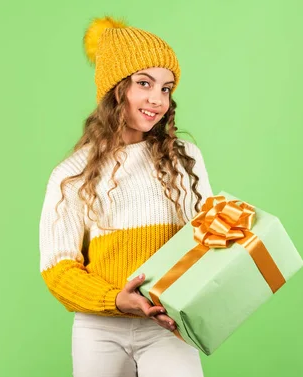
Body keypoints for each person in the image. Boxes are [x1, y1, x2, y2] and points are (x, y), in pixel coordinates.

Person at [38, 16, 213, 377]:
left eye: (166, 88)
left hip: (167, 326)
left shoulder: (186, 159)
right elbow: (58, 269)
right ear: (115, 89)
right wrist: (115, 299)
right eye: (144, 83)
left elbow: (206, 241)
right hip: (99, 330)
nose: (156, 99)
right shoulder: (71, 175)